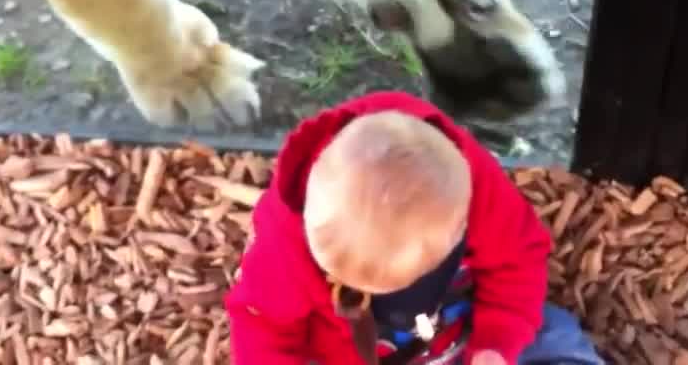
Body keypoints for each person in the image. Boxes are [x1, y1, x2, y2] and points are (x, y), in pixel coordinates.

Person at [225, 91, 605, 364]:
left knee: (554, 336)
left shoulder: (469, 184)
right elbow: (262, 328)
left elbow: (517, 258)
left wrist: (497, 343)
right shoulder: (284, 243)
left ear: (460, 224)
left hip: (470, 330)